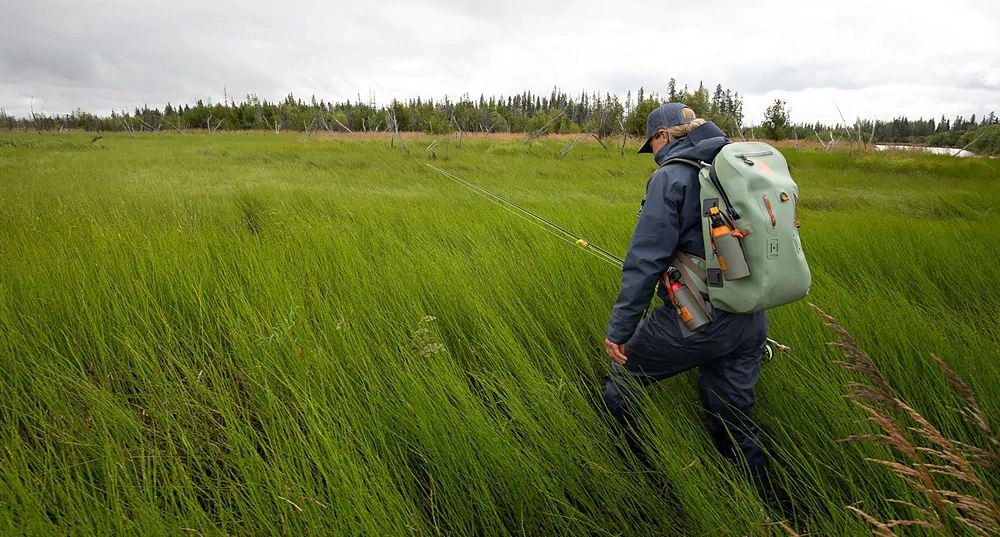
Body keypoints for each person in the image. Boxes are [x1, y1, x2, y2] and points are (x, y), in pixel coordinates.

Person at [603, 103, 771, 497]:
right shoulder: (737, 164)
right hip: (751, 316)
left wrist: (620, 331)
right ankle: (765, 506)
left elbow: (645, 260)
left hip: (698, 319)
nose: (655, 154)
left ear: (664, 136)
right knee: (734, 419)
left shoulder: (672, 176)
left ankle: (632, 479)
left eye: (654, 144)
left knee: (622, 384)